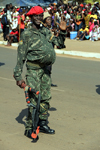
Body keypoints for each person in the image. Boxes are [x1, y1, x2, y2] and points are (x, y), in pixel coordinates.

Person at [13, 6, 66, 140]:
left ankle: (42, 124)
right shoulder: (27, 33)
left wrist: (63, 32)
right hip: (34, 70)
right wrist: (18, 76)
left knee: (46, 98)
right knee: (34, 99)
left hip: (46, 70)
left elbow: (58, 43)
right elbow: (21, 55)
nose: (39, 18)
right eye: (36, 16)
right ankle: (29, 127)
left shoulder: (45, 31)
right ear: (31, 17)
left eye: (40, 16)